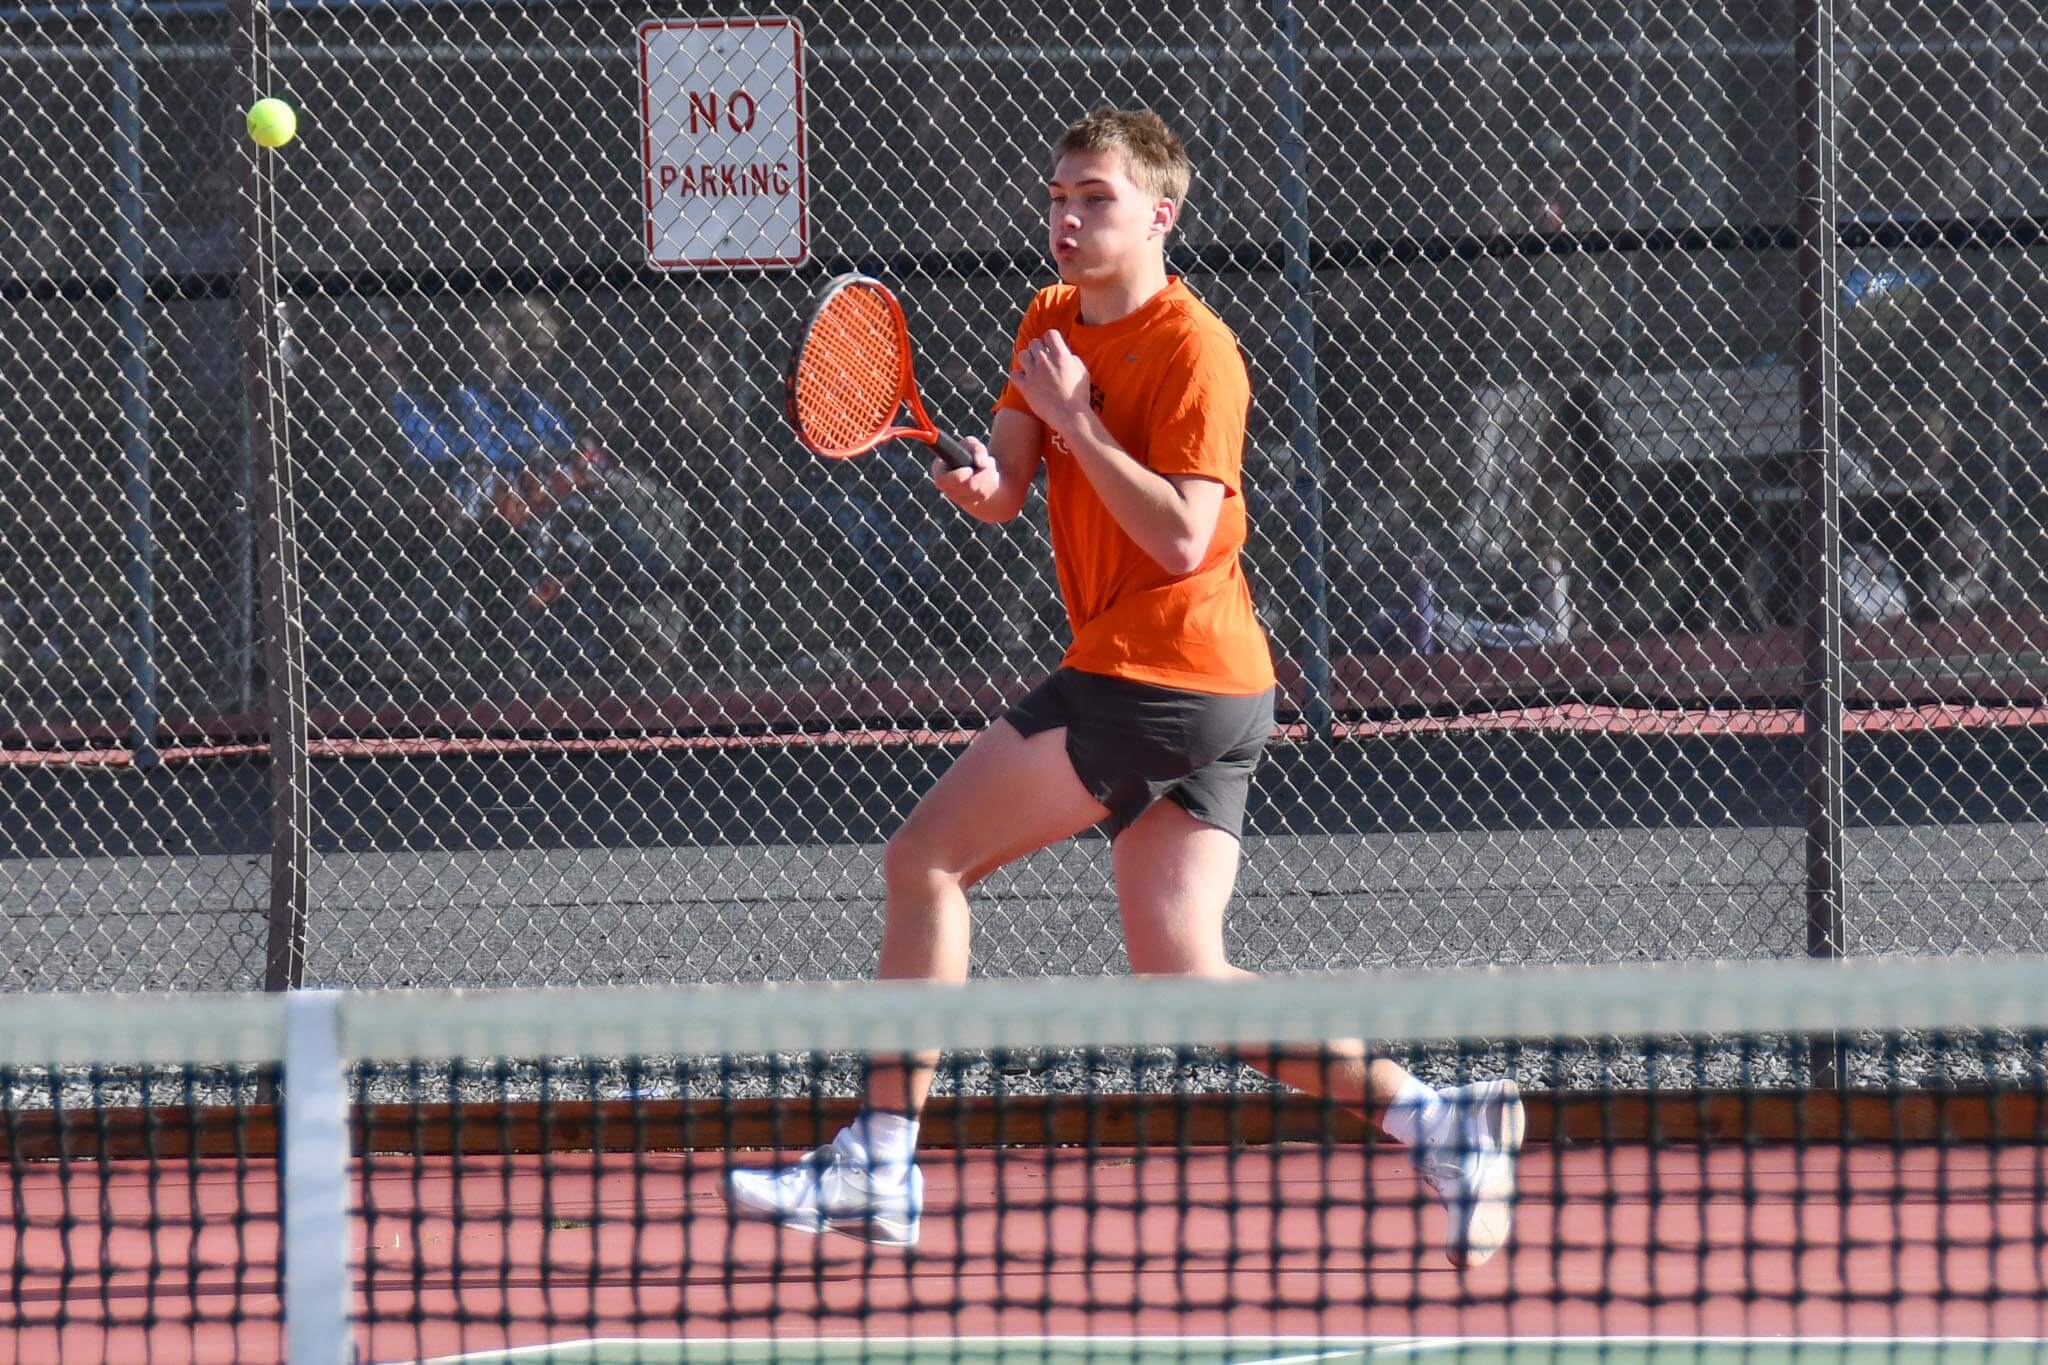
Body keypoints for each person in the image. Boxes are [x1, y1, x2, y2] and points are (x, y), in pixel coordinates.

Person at [723, 108, 1524, 1268]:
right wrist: (986, 471)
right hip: (1195, 686)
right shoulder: (1047, 319)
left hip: (1164, 672)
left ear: (1159, 213)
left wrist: (1076, 422)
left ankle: (879, 1158)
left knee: (924, 862)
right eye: (1055, 195)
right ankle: (1439, 1122)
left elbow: (1183, 538)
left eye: (1093, 197)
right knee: (1182, 972)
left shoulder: (1197, 349)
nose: (1064, 216)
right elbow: (1006, 493)